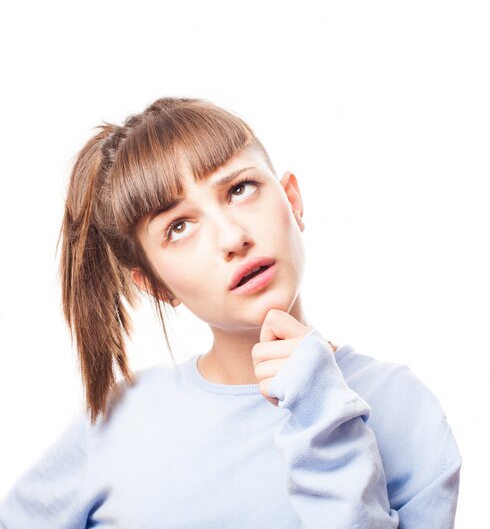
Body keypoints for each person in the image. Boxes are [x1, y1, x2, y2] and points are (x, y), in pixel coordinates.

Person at [0, 96, 461, 528]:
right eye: (179, 226)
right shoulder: (118, 419)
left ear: (293, 202)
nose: (231, 237)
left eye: (240, 189)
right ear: (157, 285)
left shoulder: (402, 406)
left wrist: (320, 408)